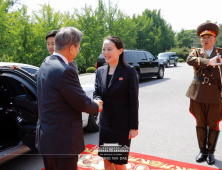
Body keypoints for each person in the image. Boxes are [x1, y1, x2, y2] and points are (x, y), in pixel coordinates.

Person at [35, 27, 103, 170]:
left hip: (47, 138)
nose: (78, 51)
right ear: (72, 48)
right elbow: (81, 102)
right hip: (63, 141)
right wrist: (96, 106)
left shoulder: (44, 65)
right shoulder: (65, 70)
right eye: (78, 47)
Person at [93, 36, 139, 170]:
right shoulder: (100, 71)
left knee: (118, 162)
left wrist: (133, 127)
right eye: (103, 49)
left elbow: (133, 101)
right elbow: (97, 92)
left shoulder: (129, 71)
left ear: (120, 51)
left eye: (109, 49)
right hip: (105, 124)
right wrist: (97, 100)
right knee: (107, 160)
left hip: (121, 126)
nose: (106, 52)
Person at [186, 22, 222, 165]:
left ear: (214, 39)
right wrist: (209, 62)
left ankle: (211, 153)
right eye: (203, 38)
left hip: (215, 93)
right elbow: (189, 60)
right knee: (200, 123)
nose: (205, 40)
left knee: (213, 123)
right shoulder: (195, 53)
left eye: (208, 37)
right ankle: (202, 151)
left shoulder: (220, 52)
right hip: (198, 93)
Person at [10, 30, 78, 74]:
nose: (50, 47)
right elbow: (36, 77)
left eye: (53, 44)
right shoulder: (47, 60)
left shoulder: (69, 62)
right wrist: (20, 70)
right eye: (48, 44)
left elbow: (74, 86)